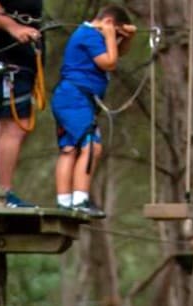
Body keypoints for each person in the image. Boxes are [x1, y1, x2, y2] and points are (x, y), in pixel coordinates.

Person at [51, 6, 137, 218]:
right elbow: (109, 62)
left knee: (70, 148)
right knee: (92, 146)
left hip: (75, 98)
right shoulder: (89, 35)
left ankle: (65, 201)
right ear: (107, 22)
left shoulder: (92, 35)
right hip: (74, 97)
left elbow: (117, 52)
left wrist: (127, 38)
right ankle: (80, 200)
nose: (114, 38)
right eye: (115, 33)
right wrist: (110, 34)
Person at [0, 1, 44, 208]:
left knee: (13, 126)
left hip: (23, 55)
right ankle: (1, 193)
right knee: (12, 126)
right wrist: (13, 27)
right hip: (6, 55)